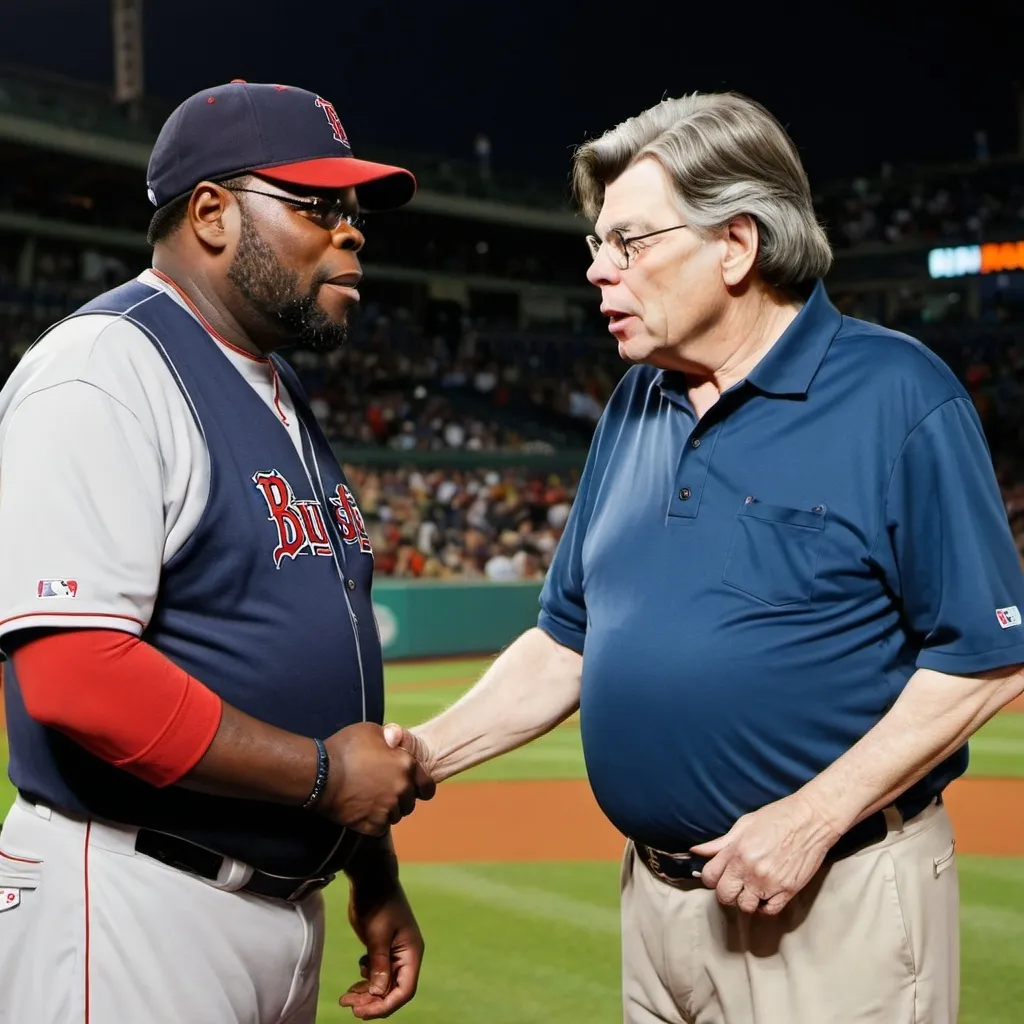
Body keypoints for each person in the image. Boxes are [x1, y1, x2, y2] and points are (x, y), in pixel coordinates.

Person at [384, 92, 1024, 1024]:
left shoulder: (896, 392)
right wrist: (425, 752)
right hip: (656, 911)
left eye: (631, 243)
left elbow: (986, 655)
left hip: (827, 904)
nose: (600, 272)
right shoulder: (634, 405)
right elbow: (569, 640)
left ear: (737, 244)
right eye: (597, 244)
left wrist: (812, 819)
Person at [0, 80, 434, 1024]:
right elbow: (76, 675)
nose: (352, 233)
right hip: (131, 902)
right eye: (317, 206)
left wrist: (369, 862)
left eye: (354, 213)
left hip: (273, 907)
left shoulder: (270, 383)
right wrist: (327, 779)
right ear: (211, 213)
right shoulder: (104, 370)